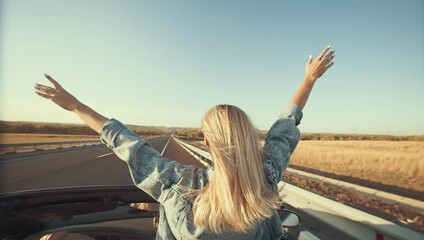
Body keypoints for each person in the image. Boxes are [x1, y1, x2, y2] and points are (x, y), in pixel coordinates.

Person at [35, 46, 335, 240]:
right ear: (246, 137)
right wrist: (309, 79)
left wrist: (75, 106)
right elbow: (284, 126)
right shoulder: (266, 177)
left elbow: (128, 144)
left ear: (206, 141)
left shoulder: (175, 183)